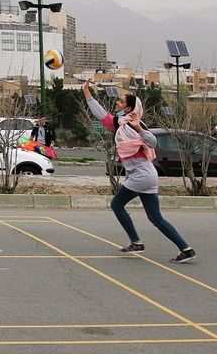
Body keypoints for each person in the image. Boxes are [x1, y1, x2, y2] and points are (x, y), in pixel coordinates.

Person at [82, 79, 195, 263]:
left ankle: (136, 242)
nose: (117, 103)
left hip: (141, 176)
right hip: (146, 176)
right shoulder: (120, 123)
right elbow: (100, 113)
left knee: (116, 204)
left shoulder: (133, 125)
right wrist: (86, 91)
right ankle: (186, 249)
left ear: (128, 109)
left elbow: (152, 142)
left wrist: (138, 127)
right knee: (156, 218)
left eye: (121, 102)